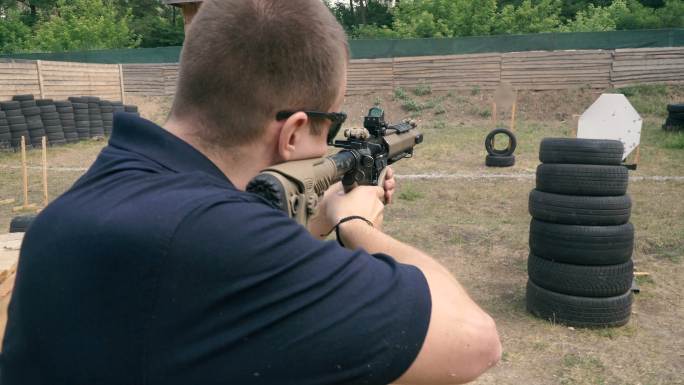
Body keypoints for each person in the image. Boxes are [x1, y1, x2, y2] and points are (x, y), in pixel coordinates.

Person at [1, 0, 501, 384]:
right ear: (293, 131)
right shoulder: (209, 240)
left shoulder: (89, 199)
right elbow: (475, 341)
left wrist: (320, 216)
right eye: (332, 124)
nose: (330, 142)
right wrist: (357, 225)